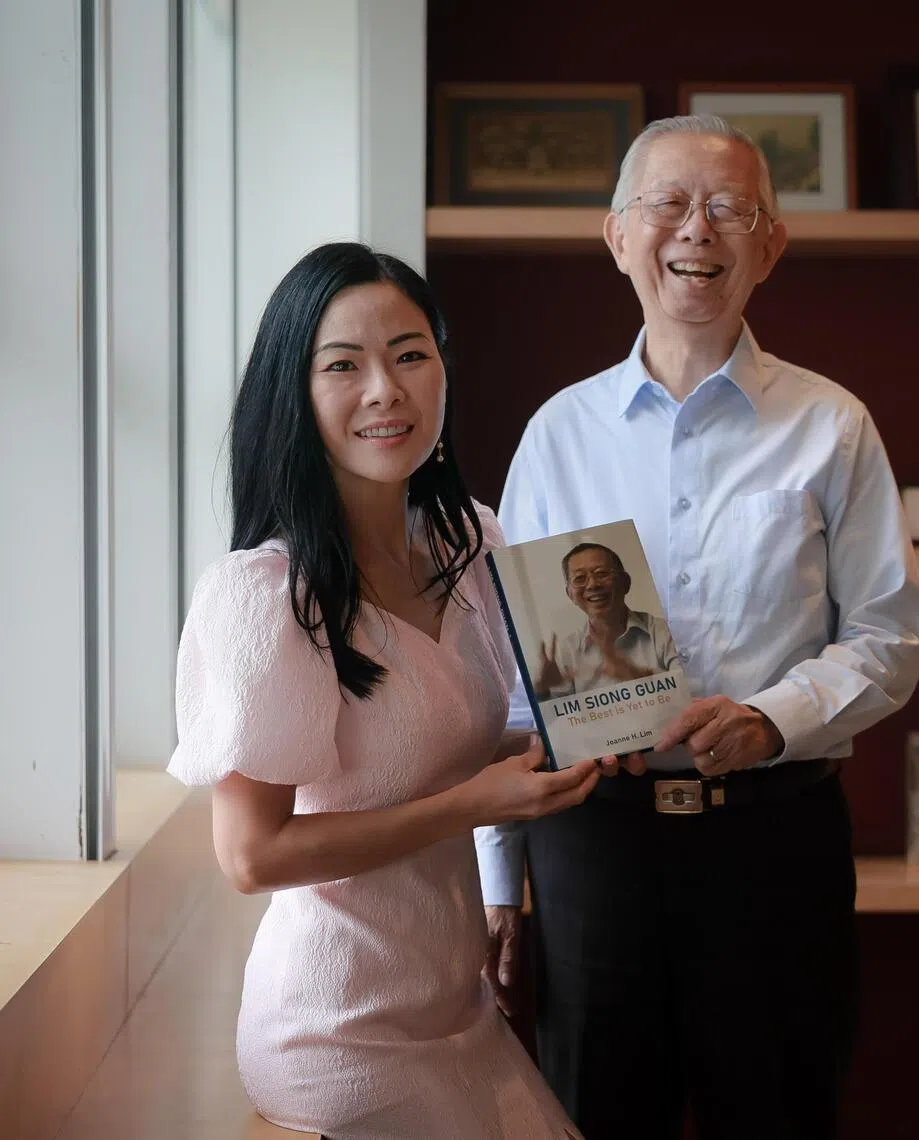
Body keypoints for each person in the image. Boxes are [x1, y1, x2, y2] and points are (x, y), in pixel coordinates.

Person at [476, 115, 919, 1140]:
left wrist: (773, 719)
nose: (698, 229)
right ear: (618, 236)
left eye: (730, 208)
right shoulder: (559, 435)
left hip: (776, 847)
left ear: (770, 246)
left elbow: (890, 634)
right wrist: (496, 878)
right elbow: (510, 677)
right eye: (670, 204)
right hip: (593, 847)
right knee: (594, 1117)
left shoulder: (832, 426)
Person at [167, 242, 598, 1140]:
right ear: (293, 392)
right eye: (343, 366)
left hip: (457, 1005)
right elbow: (251, 857)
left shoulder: (470, 545)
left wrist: (584, 738)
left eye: (410, 355)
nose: (385, 391)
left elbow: (444, 741)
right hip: (336, 1026)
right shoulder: (266, 595)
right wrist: (476, 803)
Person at [533, 541, 679, 699]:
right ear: (570, 594)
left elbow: (687, 696)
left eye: (601, 573)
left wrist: (637, 678)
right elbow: (557, 714)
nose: (592, 585)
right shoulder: (565, 652)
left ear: (625, 582)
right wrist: (542, 692)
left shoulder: (665, 631)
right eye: (580, 578)